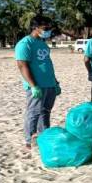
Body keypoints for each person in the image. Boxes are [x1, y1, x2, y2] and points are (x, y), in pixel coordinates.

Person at [15, 16, 61, 149]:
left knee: (46, 111)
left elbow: (48, 64)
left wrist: (55, 83)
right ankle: (29, 140)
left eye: (49, 28)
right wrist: (33, 86)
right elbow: (22, 65)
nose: (48, 31)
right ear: (35, 28)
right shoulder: (25, 44)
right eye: (45, 28)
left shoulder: (42, 43)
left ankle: (44, 136)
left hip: (49, 84)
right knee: (33, 112)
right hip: (36, 85)